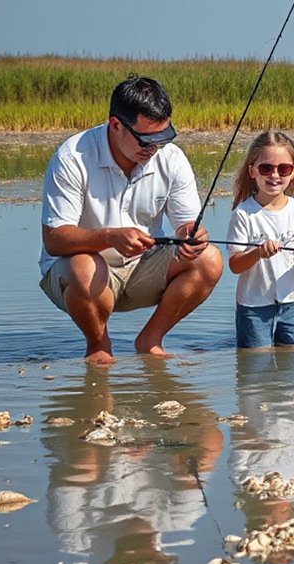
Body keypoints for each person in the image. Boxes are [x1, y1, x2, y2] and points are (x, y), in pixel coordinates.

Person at [39, 75, 223, 364]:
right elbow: (54, 239)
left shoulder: (172, 159)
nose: (154, 148)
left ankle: (151, 340)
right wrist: (110, 237)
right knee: (85, 266)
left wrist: (191, 236)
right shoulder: (72, 156)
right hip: (80, 276)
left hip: (142, 270)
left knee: (209, 259)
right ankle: (98, 344)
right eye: (146, 140)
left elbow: (185, 225)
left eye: (163, 138)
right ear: (115, 125)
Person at [226, 131, 294, 350]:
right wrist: (258, 253)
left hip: (292, 303)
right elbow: (235, 265)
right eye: (266, 168)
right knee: (255, 366)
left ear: (293, 172)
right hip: (253, 306)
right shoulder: (243, 214)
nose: (274, 175)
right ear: (252, 171)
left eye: (283, 169)